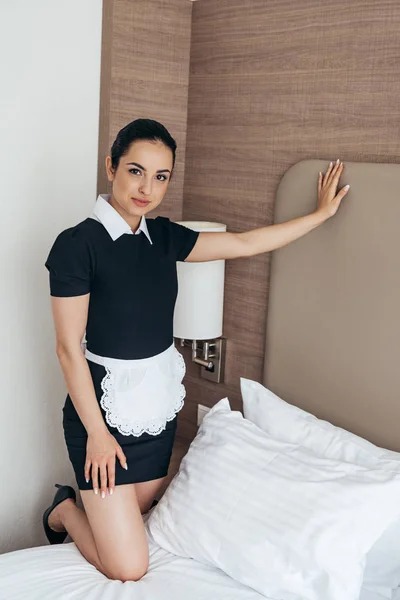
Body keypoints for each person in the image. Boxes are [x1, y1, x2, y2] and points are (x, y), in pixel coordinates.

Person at [42, 118, 349, 582]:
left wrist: (320, 216)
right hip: (102, 413)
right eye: (136, 171)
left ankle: (87, 506)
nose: (147, 188)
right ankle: (64, 509)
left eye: (160, 176)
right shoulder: (77, 246)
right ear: (111, 167)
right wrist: (99, 435)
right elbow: (68, 349)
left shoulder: (165, 238)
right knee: (129, 566)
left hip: (156, 408)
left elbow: (245, 244)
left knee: (142, 505)